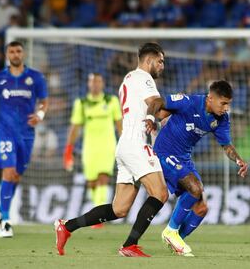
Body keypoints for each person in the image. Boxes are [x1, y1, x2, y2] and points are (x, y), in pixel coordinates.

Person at [55, 42, 169, 257]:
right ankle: (129, 245)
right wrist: (177, 110)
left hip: (125, 145)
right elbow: (157, 103)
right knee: (160, 193)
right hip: (136, 143)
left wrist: (157, 118)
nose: (162, 66)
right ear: (149, 60)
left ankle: (67, 226)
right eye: (160, 61)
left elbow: (149, 109)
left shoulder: (128, 79)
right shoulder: (144, 78)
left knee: (119, 209)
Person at [145, 80, 249, 256]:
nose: (226, 108)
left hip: (184, 159)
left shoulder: (222, 119)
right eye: (223, 103)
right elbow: (157, 102)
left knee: (201, 208)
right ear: (210, 98)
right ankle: (170, 231)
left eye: (228, 104)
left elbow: (227, 146)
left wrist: (239, 160)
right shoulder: (189, 102)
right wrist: (150, 118)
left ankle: (177, 241)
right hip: (164, 152)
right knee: (195, 188)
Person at [0, 41, 48, 238]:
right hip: (5, 131)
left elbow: (44, 102)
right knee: (9, 171)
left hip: (27, 133)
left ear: (23, 54)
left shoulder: (35, 77)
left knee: (16, 175)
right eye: (12, 51)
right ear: (7, 54)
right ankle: (5, 220)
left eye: (18, 51)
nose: (15, 54)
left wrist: (40, 115)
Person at [63, 73, 122, 228]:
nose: (95, 84)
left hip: (107, 145)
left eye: (98, 81)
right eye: (92, 81)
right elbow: (75, 128)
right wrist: (69, 149)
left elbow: (119, 125)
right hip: (89, 147)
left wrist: (125, 143)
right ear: (88, 84)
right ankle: (98, 214)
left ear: (102, 83)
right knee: (92, 182)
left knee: (103, 177)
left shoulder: (112, 101)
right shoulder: (81, 103)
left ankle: (98, 219)